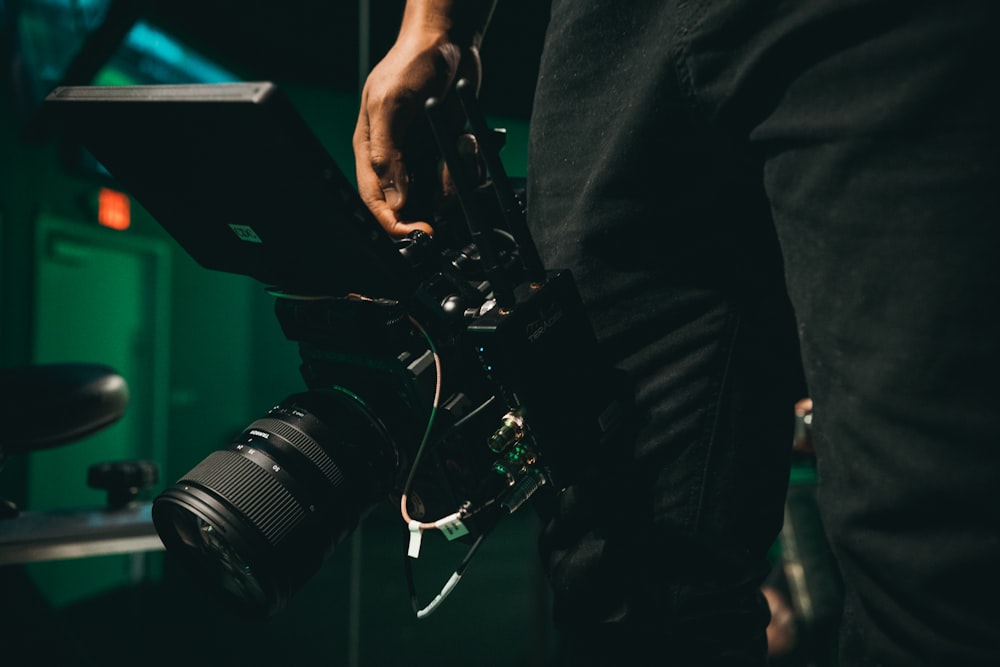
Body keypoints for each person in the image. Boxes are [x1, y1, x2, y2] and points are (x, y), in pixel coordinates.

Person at [352, 1, 1000, 664]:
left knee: (935, 556)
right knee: (618, 576)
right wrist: (436, 24)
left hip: (879, 25)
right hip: (612, 36)